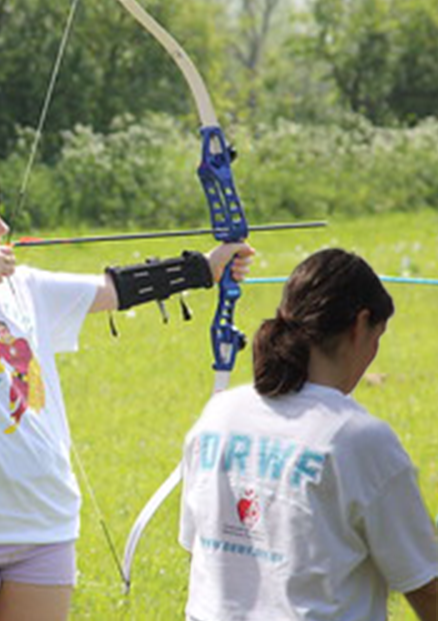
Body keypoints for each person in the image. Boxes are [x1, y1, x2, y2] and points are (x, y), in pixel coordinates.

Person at [0, 153, 254, 621]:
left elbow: (113, 290)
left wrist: (203, 270)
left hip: (44, 521)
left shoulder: (22, 286)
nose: (2, 229)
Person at [179, 248, 438, 620]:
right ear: (360, 325)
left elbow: (200, 546)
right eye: (377, 336)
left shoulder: (219, 414)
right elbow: (426, 585)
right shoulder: (360, 439)